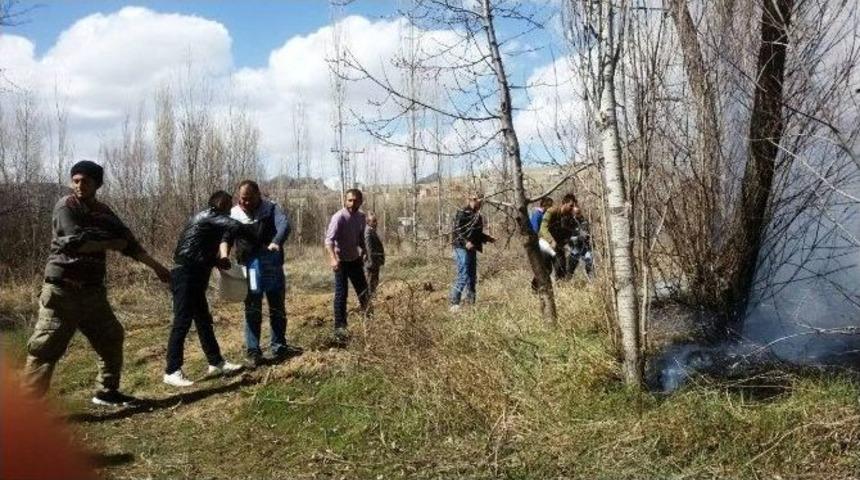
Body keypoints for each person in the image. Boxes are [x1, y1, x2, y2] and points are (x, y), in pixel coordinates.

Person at [22, 160, 171, 407]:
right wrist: (109, 243)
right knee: (45, 348)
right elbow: (76, 242)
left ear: (97, 184)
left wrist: (158, 268)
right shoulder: (66, 205)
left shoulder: (104, 212)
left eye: (86, 181)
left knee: (111, 337)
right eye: (76, 180)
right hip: (62, 290)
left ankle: (106, 392)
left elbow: (129, 243)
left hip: (92, 292)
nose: (79, 185)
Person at [163, 191, 258, 387]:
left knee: (203, 320)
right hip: (186, 274)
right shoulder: (209, 215)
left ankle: (215, 362)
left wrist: (217, 261)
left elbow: (200, 247)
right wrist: (259, 238)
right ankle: (172, 370)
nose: (230, 210)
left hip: (196, 274)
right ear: (221, 203)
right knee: (182, 320)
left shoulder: (210, 221)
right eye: (229, 204)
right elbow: (235, 227)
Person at [230, 180, 301, 368]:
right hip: (249, 269)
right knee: (252, 308)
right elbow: (226, 236)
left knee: (277, 306)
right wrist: (221, 255)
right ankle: (253, 351)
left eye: (249, 199)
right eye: (242, 199)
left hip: (272, 266)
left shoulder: (271, 209)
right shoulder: (234, 214)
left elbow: (284, 225)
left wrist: (277, 241)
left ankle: (279, 346)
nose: (245, 202)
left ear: (258, 195)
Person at [324, 188, 370, 343]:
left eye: (356, 200)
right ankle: (340, 329)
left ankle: (370, 322)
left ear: (361, 201)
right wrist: (333, 259)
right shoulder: (339, 217)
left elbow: (359, 237)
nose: (352, 203)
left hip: (355, 260)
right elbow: (329, 241)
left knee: (364, 292)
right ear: (345, 200)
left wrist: (364, 250)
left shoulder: (361, 217)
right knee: (341, 295)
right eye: (350, 200)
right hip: (341, 262)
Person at [449, 192, 495, 311]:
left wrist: (488, 238)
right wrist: (465, 242)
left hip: (472, 248)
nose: (479, 203)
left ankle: (471, 304)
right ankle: (454, 303)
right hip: (461, 248)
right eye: (477, 200)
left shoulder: (478, 216)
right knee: (463, 275)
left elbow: (478, 234)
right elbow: (457, 231)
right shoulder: (462, 213)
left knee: (472, 277)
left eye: (481, 201)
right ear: (471, 200)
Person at [532, 193, 577, 289]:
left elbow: (569, 233)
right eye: (571, 205)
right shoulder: (551, 211)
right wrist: (551, 241)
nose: (572, 208)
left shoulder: (569, 217)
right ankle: (536, 290)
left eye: (574, 206)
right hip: (545, 245)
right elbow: (543, 228)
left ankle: (561, 292)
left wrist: (566, 243)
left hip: (558, 247)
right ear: (564, 203)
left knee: (561, 268)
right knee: (545, 270)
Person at [566, 205, 594, 279]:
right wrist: (576, 238)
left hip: (585, 247)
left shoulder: (585, 222)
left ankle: (592, 281)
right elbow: (567, 237)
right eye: (575, 213)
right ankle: (567, 281)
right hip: (575, 248)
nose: (577, 215)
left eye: (578, 212)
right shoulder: (569, 223)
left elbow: (587, 234)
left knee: (589, 263)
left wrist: (584, 236)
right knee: (570, 266)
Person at [364, 212, 385, 299]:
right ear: (368, 222)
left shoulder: (372, 231)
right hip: (371, 264)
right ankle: (369, 301)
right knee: (370, 283)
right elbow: (369, 249)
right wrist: (372, 264)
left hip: (375, 262)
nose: (376, 223)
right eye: (373, 221)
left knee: (374, 282)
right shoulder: (368, 232)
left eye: (376, 221)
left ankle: (373, 299)